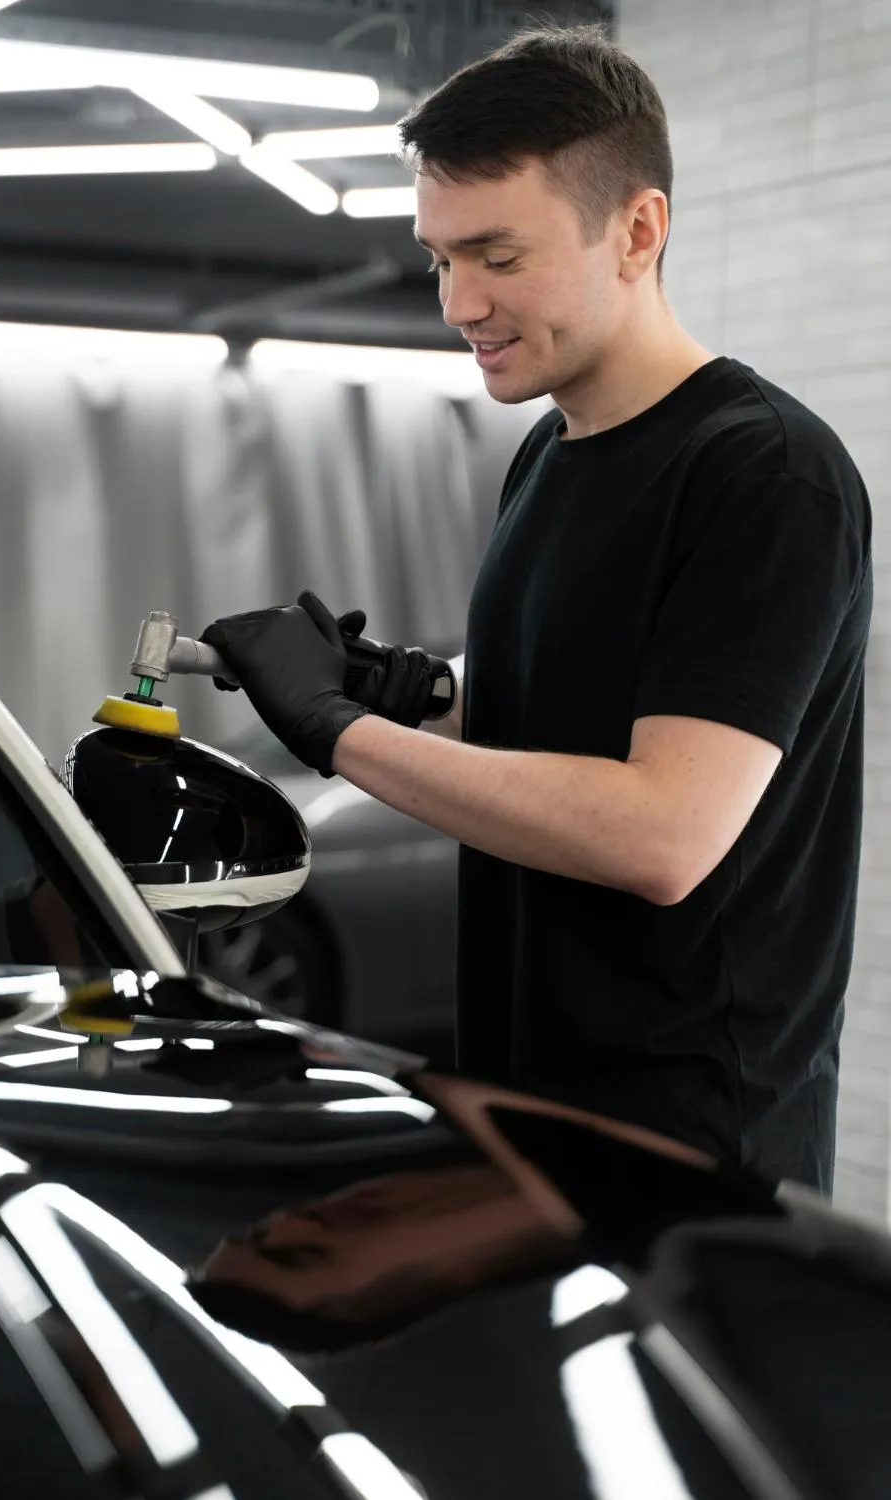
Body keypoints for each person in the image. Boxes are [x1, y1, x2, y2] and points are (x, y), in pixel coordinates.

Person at [200, 24, 873, 1195]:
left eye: (498, 256)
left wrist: (338, 735)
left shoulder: (763, 474)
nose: (459, 302)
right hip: (535, 1100)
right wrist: (412, 692)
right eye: (439, 258)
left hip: (693, 1150)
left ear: (638, 231)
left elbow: (662, 834)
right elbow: (581, 716)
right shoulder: (548, 455)